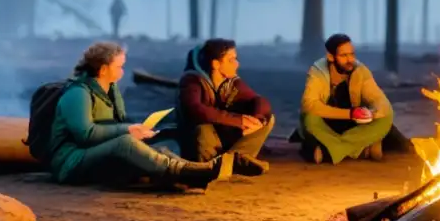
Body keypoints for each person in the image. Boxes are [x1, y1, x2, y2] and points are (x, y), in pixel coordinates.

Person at [48, 42, 230, 188]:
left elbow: (112, 126)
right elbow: (85, 134)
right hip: (71, 162)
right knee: (125, 143)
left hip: (95, 152)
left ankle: (190, 172)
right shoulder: (78, 94)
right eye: (119, 66)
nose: (122, 71)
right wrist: (127, 130)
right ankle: (184, 172)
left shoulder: (109, 91)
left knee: (158, 147)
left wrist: (140, 131)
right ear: (103, 69)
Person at [176, 39, 274, 174]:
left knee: (268, 120)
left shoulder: (231, 83)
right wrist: (238, 120)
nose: (237, 64)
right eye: (231, 60)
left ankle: (234, 160)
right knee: (202, 128)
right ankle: (215, 166)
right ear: (216, 64)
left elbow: (258, 100)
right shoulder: (192, 81)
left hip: (222, 139)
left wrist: (258, 118)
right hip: (201, 143)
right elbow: (194, 109)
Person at [298, 33, 393, 164]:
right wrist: (350, 113)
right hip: (327, 123)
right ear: (331, 57)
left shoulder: (360, 70)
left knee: (386, 117)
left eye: (352, 54)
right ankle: (360, 148)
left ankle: (328, 151)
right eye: (343, 55)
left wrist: (372, 112)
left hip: (353, 126)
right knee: (309, 119)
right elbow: (309, 104)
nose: (350, 60)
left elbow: (379, 100)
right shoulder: (318, 72)